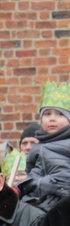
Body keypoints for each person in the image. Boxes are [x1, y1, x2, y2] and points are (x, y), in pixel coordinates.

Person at [21, 81, 70, 210]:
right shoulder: (37, 149)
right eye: (47, 114)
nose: (52, 118)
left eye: (60, 114)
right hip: (46, 204)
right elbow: (31, 177)